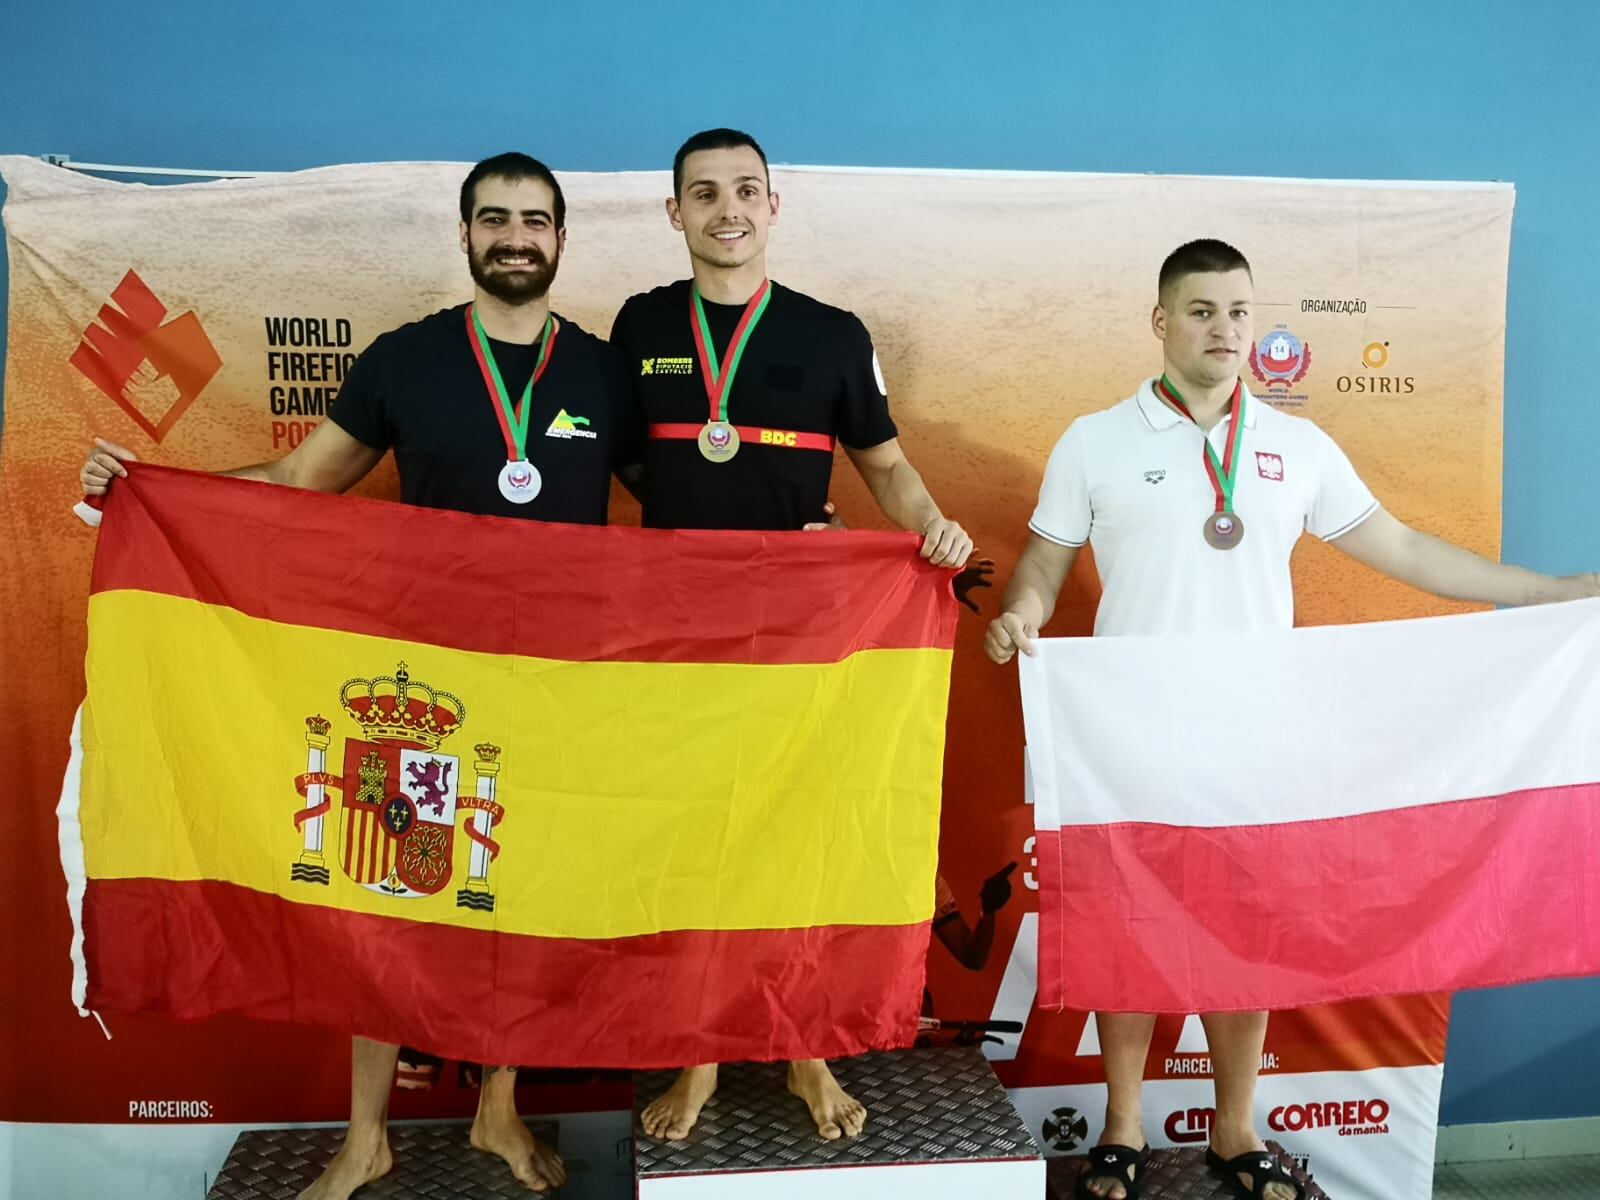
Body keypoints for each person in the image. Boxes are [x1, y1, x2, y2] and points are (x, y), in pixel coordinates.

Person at [984, 238, 1598, 1200]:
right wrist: (1019, 613)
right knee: (1126, 931)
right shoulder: (1093, 440)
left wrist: (1549, 590)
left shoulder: (1295, 447)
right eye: (1200, 311)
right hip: (1128, 736)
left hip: (1255, 741)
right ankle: (1122, 1128)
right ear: (1159, 321)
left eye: (1238, 311)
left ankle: (1234, 1132)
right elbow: (1043, 565)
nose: (1224, 329)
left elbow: (1400, 548)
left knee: (1244, 940)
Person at [80, 151, 640, 1200]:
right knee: (392, 887)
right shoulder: (407, 361)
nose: (514, 236)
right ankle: (364, 1136)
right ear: (465, 237)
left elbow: (692, 519)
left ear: (561, 239)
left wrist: (804, 539)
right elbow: (298, 484)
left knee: (516, 896)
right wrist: (152, 492)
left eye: (533, 219)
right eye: (493, 219)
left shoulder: (604, 374)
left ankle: (496, 1112)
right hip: (420, 679)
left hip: (561, 683)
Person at [610, 127, 972, 1143]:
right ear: (672, 212)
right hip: (676, 635)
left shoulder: (828, 334)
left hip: (804, 636)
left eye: (746, 190)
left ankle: (807, 1053)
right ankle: (700, 1060)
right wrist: (703, 539)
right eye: (704, 192)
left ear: (774, 207)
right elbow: (624, 461)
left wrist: (928, 526)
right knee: (697, 840)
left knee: (795, 840)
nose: (727, 207)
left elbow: (887, 468)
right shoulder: (639, 325)